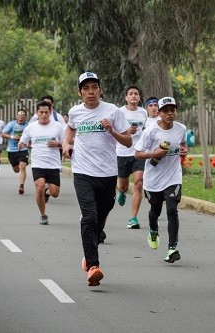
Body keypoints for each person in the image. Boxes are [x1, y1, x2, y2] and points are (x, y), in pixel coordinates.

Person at [62, 72, 132, 287]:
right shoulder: (75, 112)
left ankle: (89, 251)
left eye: (94, 87)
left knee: (99, 219)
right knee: (89, 216)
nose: (90, 92)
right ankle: (93, 266)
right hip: (82, 172)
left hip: (107, 173)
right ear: (80, 92)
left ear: (100, 89)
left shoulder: (113, 111)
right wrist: (66, 143)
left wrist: (112, 130)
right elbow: (71, 128)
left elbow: (128, 141)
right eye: (86, 88)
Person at [134, 96, 188, 263]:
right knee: (155, 211)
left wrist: (184, 151)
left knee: (172, 210)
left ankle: (172, 248)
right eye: (166, 111)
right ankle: (153, 229)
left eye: (172, 110)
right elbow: (137, 154)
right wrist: (154, 154)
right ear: (159, 112)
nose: (170, 113)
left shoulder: (181, 129)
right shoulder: (151, 131)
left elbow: (183, 144)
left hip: (173, 177)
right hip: (153, 180)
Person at [19, 100, 64, 225]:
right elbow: (23, 140)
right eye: (41, 112)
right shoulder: (31, 127)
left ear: (50, 112)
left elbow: (65, 143)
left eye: (46, 112)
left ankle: (47, 192)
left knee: (55, 193)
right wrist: (21, 143)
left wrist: (58, 143)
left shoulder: (57, 126)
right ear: (37, 113)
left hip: (53, 164)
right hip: (38, 163)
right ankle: (43, 215)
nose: (44, 115)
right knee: (39, 187)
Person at [116, 85, 148, 229]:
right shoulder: (119, 112)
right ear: (126, 97)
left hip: (138, 153)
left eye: (136, 94)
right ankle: (122, 192)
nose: (134, 96)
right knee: (122, 185)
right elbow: (114, 131)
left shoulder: (143, 113)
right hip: (122, 153)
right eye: (131, 94)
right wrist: (126, 131)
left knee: (139, 183)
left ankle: (133, 217)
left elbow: (146, 131)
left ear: (139, 97)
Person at [1, 109, 29, 194]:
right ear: (17, 116)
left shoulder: (28, 125)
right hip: (12, 150)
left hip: (23, 149)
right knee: (16, 170)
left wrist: (29, 143)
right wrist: (13, 137)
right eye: (19, 115)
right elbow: (2, 134)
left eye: (23, 115)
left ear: (25, 117)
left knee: (23, 166)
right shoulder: (11, 124)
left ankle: (21, 186)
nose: (21, 116)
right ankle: (16, 168)